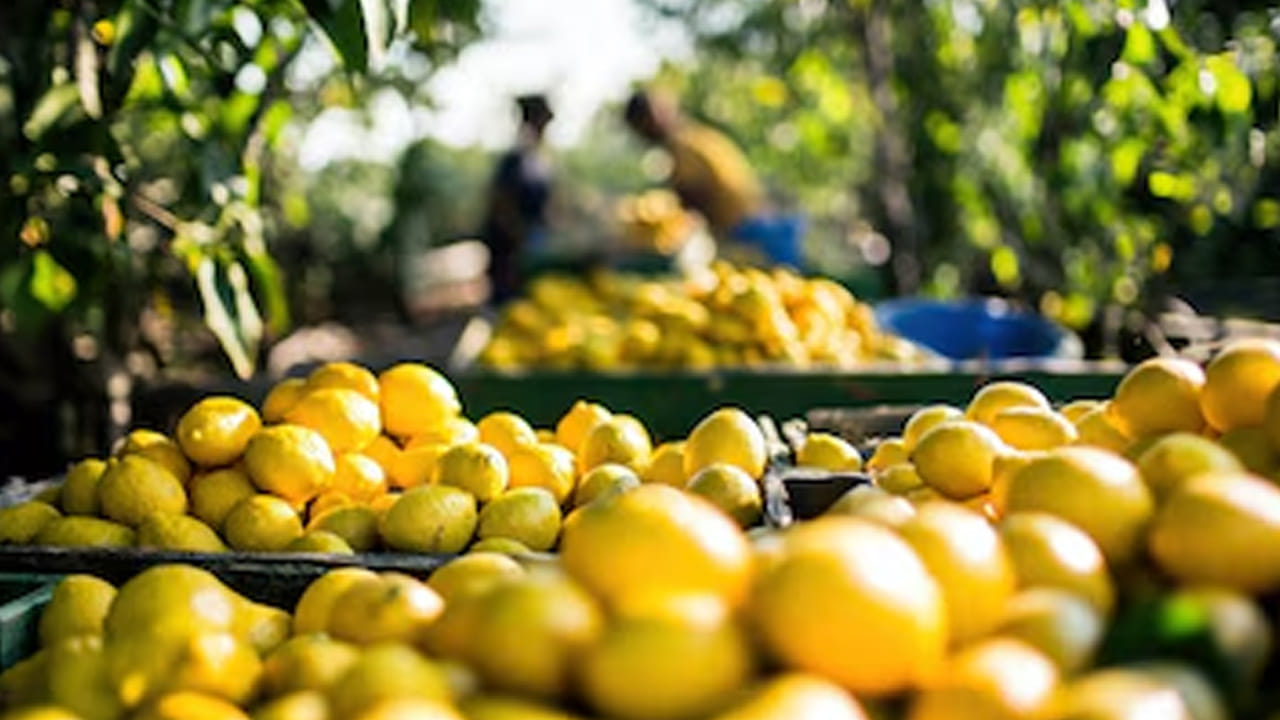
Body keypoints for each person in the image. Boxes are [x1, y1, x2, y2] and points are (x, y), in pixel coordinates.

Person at [481, 94, 555, 305]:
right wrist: (519, 236)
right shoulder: (516, 158)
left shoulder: (538, 158)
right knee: (509, 303)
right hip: (510, 251)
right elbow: (500, 203)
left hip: (530, 244)